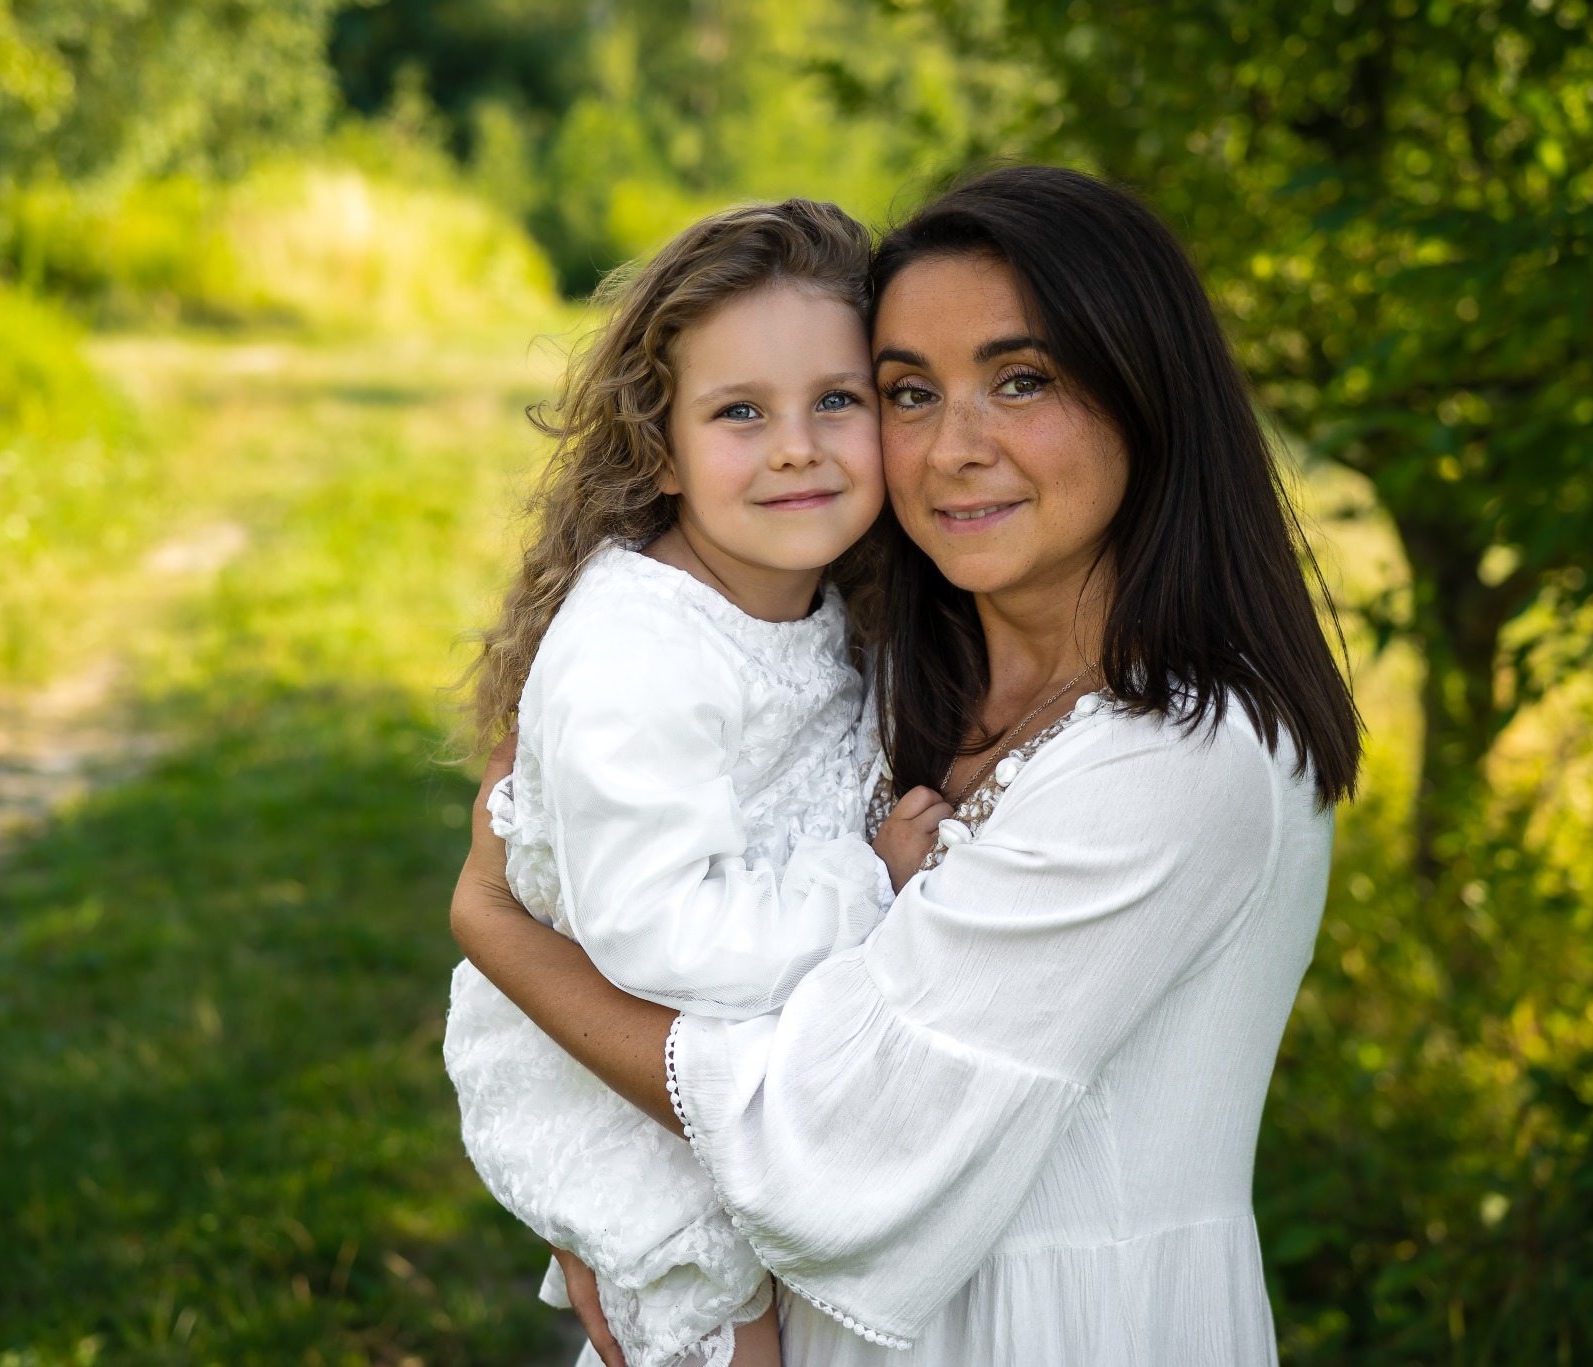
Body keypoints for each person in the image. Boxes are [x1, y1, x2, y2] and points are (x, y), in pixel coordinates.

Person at [451, 165, 1362, 1365]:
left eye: (1020, 380)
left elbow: (821, 1137)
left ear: (1146, 394)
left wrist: (496, 928)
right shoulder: (875, 675)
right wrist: (619, 1208)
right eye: (906, 393)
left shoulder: (1182, 761)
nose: (949, 451)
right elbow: (678, 928)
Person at [442, 198, 950, 1367]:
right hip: (614, 1091)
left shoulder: (806, 603)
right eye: (739, 412)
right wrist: (864, 877)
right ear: (658, 450)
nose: (795, 445)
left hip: (703, 1072)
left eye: (837, 399)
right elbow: (659, 934)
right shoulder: (641, 651)